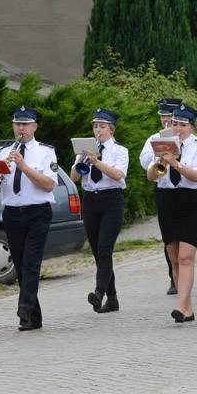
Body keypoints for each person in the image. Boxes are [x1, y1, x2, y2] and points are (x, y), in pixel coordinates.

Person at [0, 106, 57, 331]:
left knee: (31, 264)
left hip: (38, 212)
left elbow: (49, 185)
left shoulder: (46, 152)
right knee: (20, 263)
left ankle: (24, 306)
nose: (21, 128)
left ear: (34, 126)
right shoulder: (3, 152)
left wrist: (23, 166)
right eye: (17, 124)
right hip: (12, 214)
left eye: (25, 124)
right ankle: (33, 318)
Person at [146, 105, 197, 323]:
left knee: (186, 257)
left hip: (190, 201)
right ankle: (187, 308)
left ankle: (180, 305)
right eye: (175, 124)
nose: (177, 128)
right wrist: (160, 160)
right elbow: (151, 177)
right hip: (167, 200)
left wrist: (175, 163)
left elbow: (196, 176)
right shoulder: (162, 144)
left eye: (182, 125)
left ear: (191, 127)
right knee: (174, 258)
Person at [70, 108, 128, 314]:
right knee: (97, 251)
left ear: (111, 129)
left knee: (105, 248)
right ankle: (112, 299)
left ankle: (99, 292)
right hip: (90, 201)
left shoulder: (119, 150)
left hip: (111, 200)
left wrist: (97, 162)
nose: (98, 130)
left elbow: (118, 175)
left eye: (102, 127)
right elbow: (74, 178)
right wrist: (81, 161)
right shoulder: (85, 150)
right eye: (95, 127)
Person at [139, 98, 182, 296]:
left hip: (183, 190)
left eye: (169, 117)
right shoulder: (153, 139)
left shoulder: (185, 137)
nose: (166, 120)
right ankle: (173, 277)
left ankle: (185, 273)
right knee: (169, 236)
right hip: (164, 190)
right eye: (163, 116)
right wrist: (158, 156)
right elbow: (144, 162)